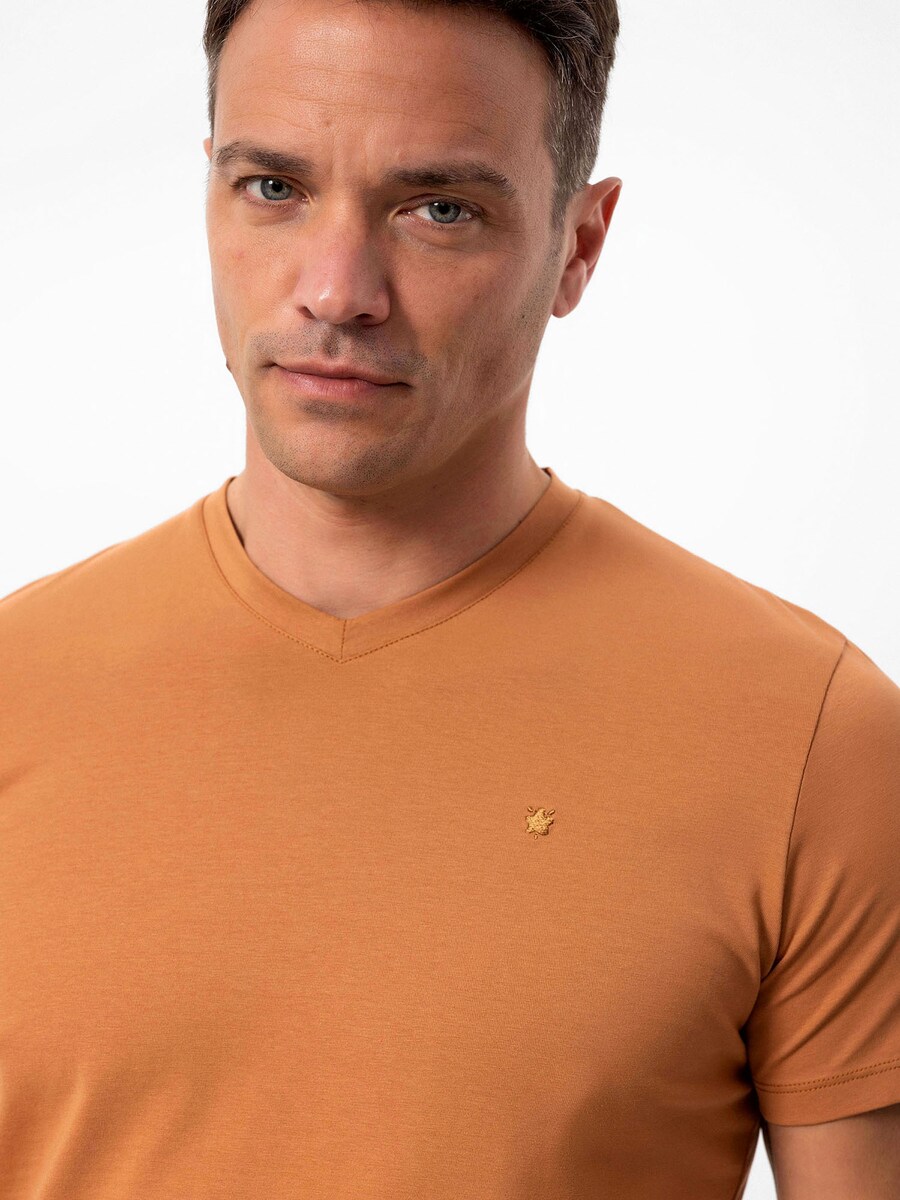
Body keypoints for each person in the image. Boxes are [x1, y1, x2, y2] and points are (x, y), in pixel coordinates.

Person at [1, 0, 897, 1196]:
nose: (336, 291)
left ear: (579, 246)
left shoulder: (810, 739)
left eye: (440, 210)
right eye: (273, 187)